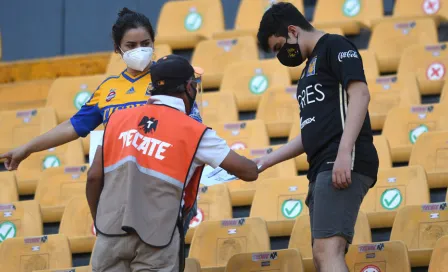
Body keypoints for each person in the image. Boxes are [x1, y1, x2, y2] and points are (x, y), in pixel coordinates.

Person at [0, 7, 201, 234]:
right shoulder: (108, 89)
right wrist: (27, 148)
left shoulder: (170, 80)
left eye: (145, 44)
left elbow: (194, 128)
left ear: (154, 43)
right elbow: (73, 126)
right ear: (117, 49)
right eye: (131, 46)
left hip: (163, 190)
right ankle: (102, 225)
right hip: (119, 194)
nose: (140, 50)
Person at [86, 54, 259, 272]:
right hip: (158, 239)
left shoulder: (116, 120)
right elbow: (249, 171)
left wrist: (103, 223)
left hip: (110, 235)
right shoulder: (195, 132)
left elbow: (93, 177)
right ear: (188, 87)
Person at [256, 3, 379, 272]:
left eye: (279, 47)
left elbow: (360, 95)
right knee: (322, 255)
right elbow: (311, 133)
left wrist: (344, 152)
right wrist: (263, 163)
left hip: (342, 159)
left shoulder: (335, 45)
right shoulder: (305, 73)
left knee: (327, 251)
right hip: (321, 165)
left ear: (292, 31)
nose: (280, 56)